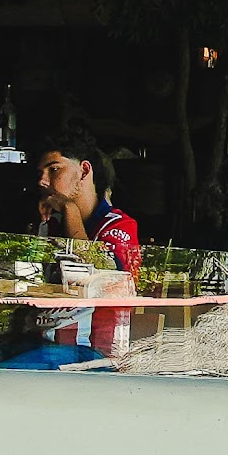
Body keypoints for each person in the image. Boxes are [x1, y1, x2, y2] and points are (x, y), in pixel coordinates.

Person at [28, 137, 141, 361]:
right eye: (40, 173)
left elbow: (105, 276)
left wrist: (70, 209)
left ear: (84, 170)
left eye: (54, 169)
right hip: (44, 342)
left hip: (92, 351)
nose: (42, 180)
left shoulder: (119, 225)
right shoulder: (51, 226)